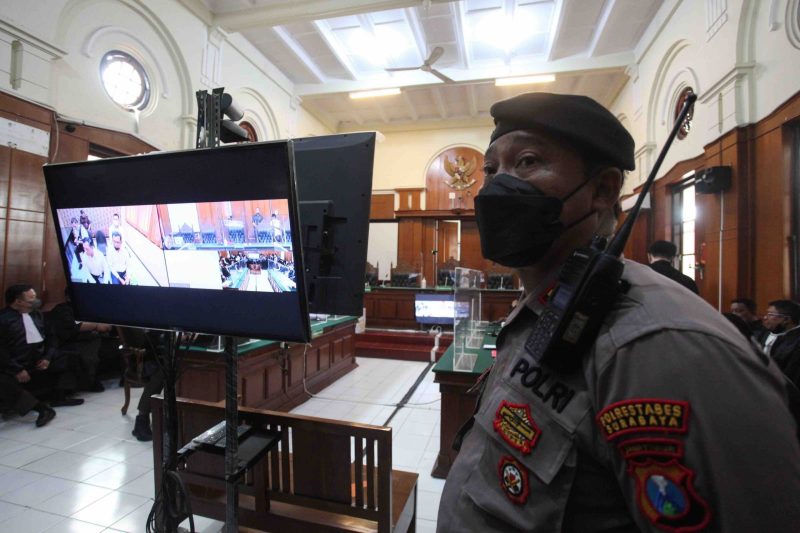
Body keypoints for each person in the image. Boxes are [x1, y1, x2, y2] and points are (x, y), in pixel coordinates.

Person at [437, 92, 800, 532]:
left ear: (603, 189)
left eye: (528, 161)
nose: (497, 186)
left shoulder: (666, 347)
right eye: (492, 169)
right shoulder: (545, 305)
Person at [0, 284, 84, 416]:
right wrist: (16, 369)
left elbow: (51, 338)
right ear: (18, 301)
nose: (36, 301)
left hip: (39, 359)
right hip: (16, 364)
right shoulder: (3, 319)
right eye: (31, 299)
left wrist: (47, 357)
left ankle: (59, 397)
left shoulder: (37, 315)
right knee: (4, 380)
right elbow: (2, 350)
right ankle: (40, 408)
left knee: (70, 356)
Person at [47, 289, 112, 392]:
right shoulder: (62, 309)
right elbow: (72, 326)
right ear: (68, 297)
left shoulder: (89, 307)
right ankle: (90, 381)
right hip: (74, 340)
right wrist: (96, 326)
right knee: (88, 353)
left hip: (96, 337)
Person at [763, 299, 800, 386]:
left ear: (786, 319)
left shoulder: (796, 342)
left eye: (770, 314)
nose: (765, 317)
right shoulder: (768, 333)